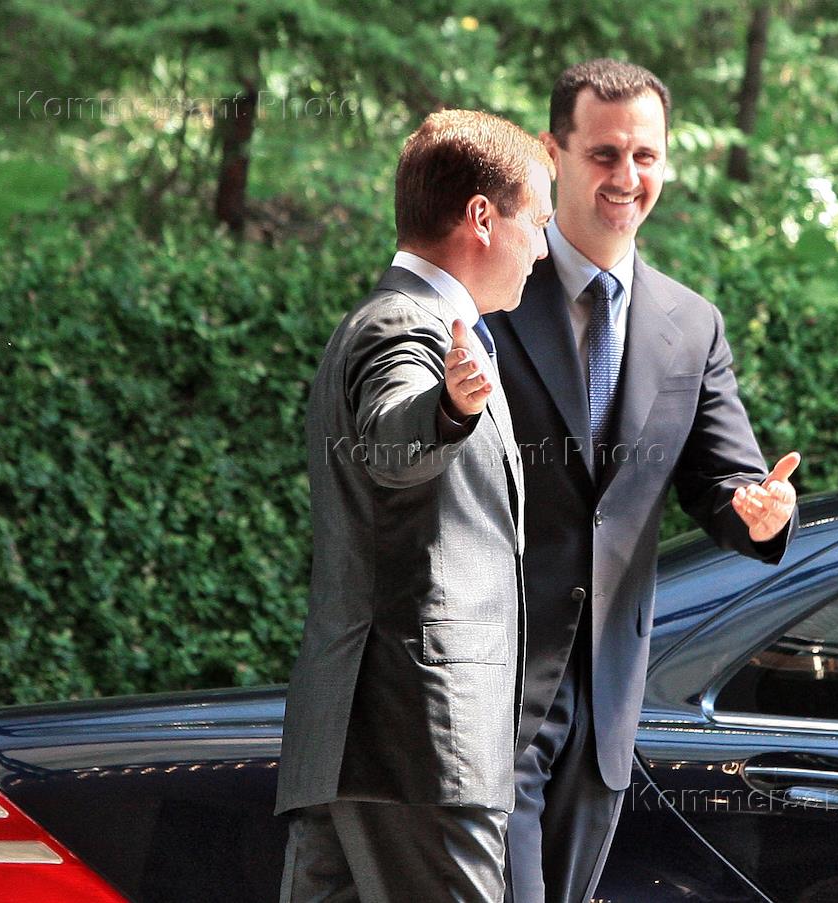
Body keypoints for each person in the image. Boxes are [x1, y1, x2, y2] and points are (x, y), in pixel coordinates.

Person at [484, 59, 800, 903]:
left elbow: (726, 481)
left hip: (606, 702)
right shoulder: (490, 295)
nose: (628, 176)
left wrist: (762, 513)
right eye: (605, 154)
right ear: (553, 152)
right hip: (494, 682)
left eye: (646, 155)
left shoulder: (691, 324)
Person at [275, 108, 554, 903]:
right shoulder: (404, 325)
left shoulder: (406, 321)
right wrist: (449, 409)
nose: (542, 248)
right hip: (420, 751)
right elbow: (392, 440)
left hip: (365, 748)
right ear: (482, 218)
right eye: (537, 222)